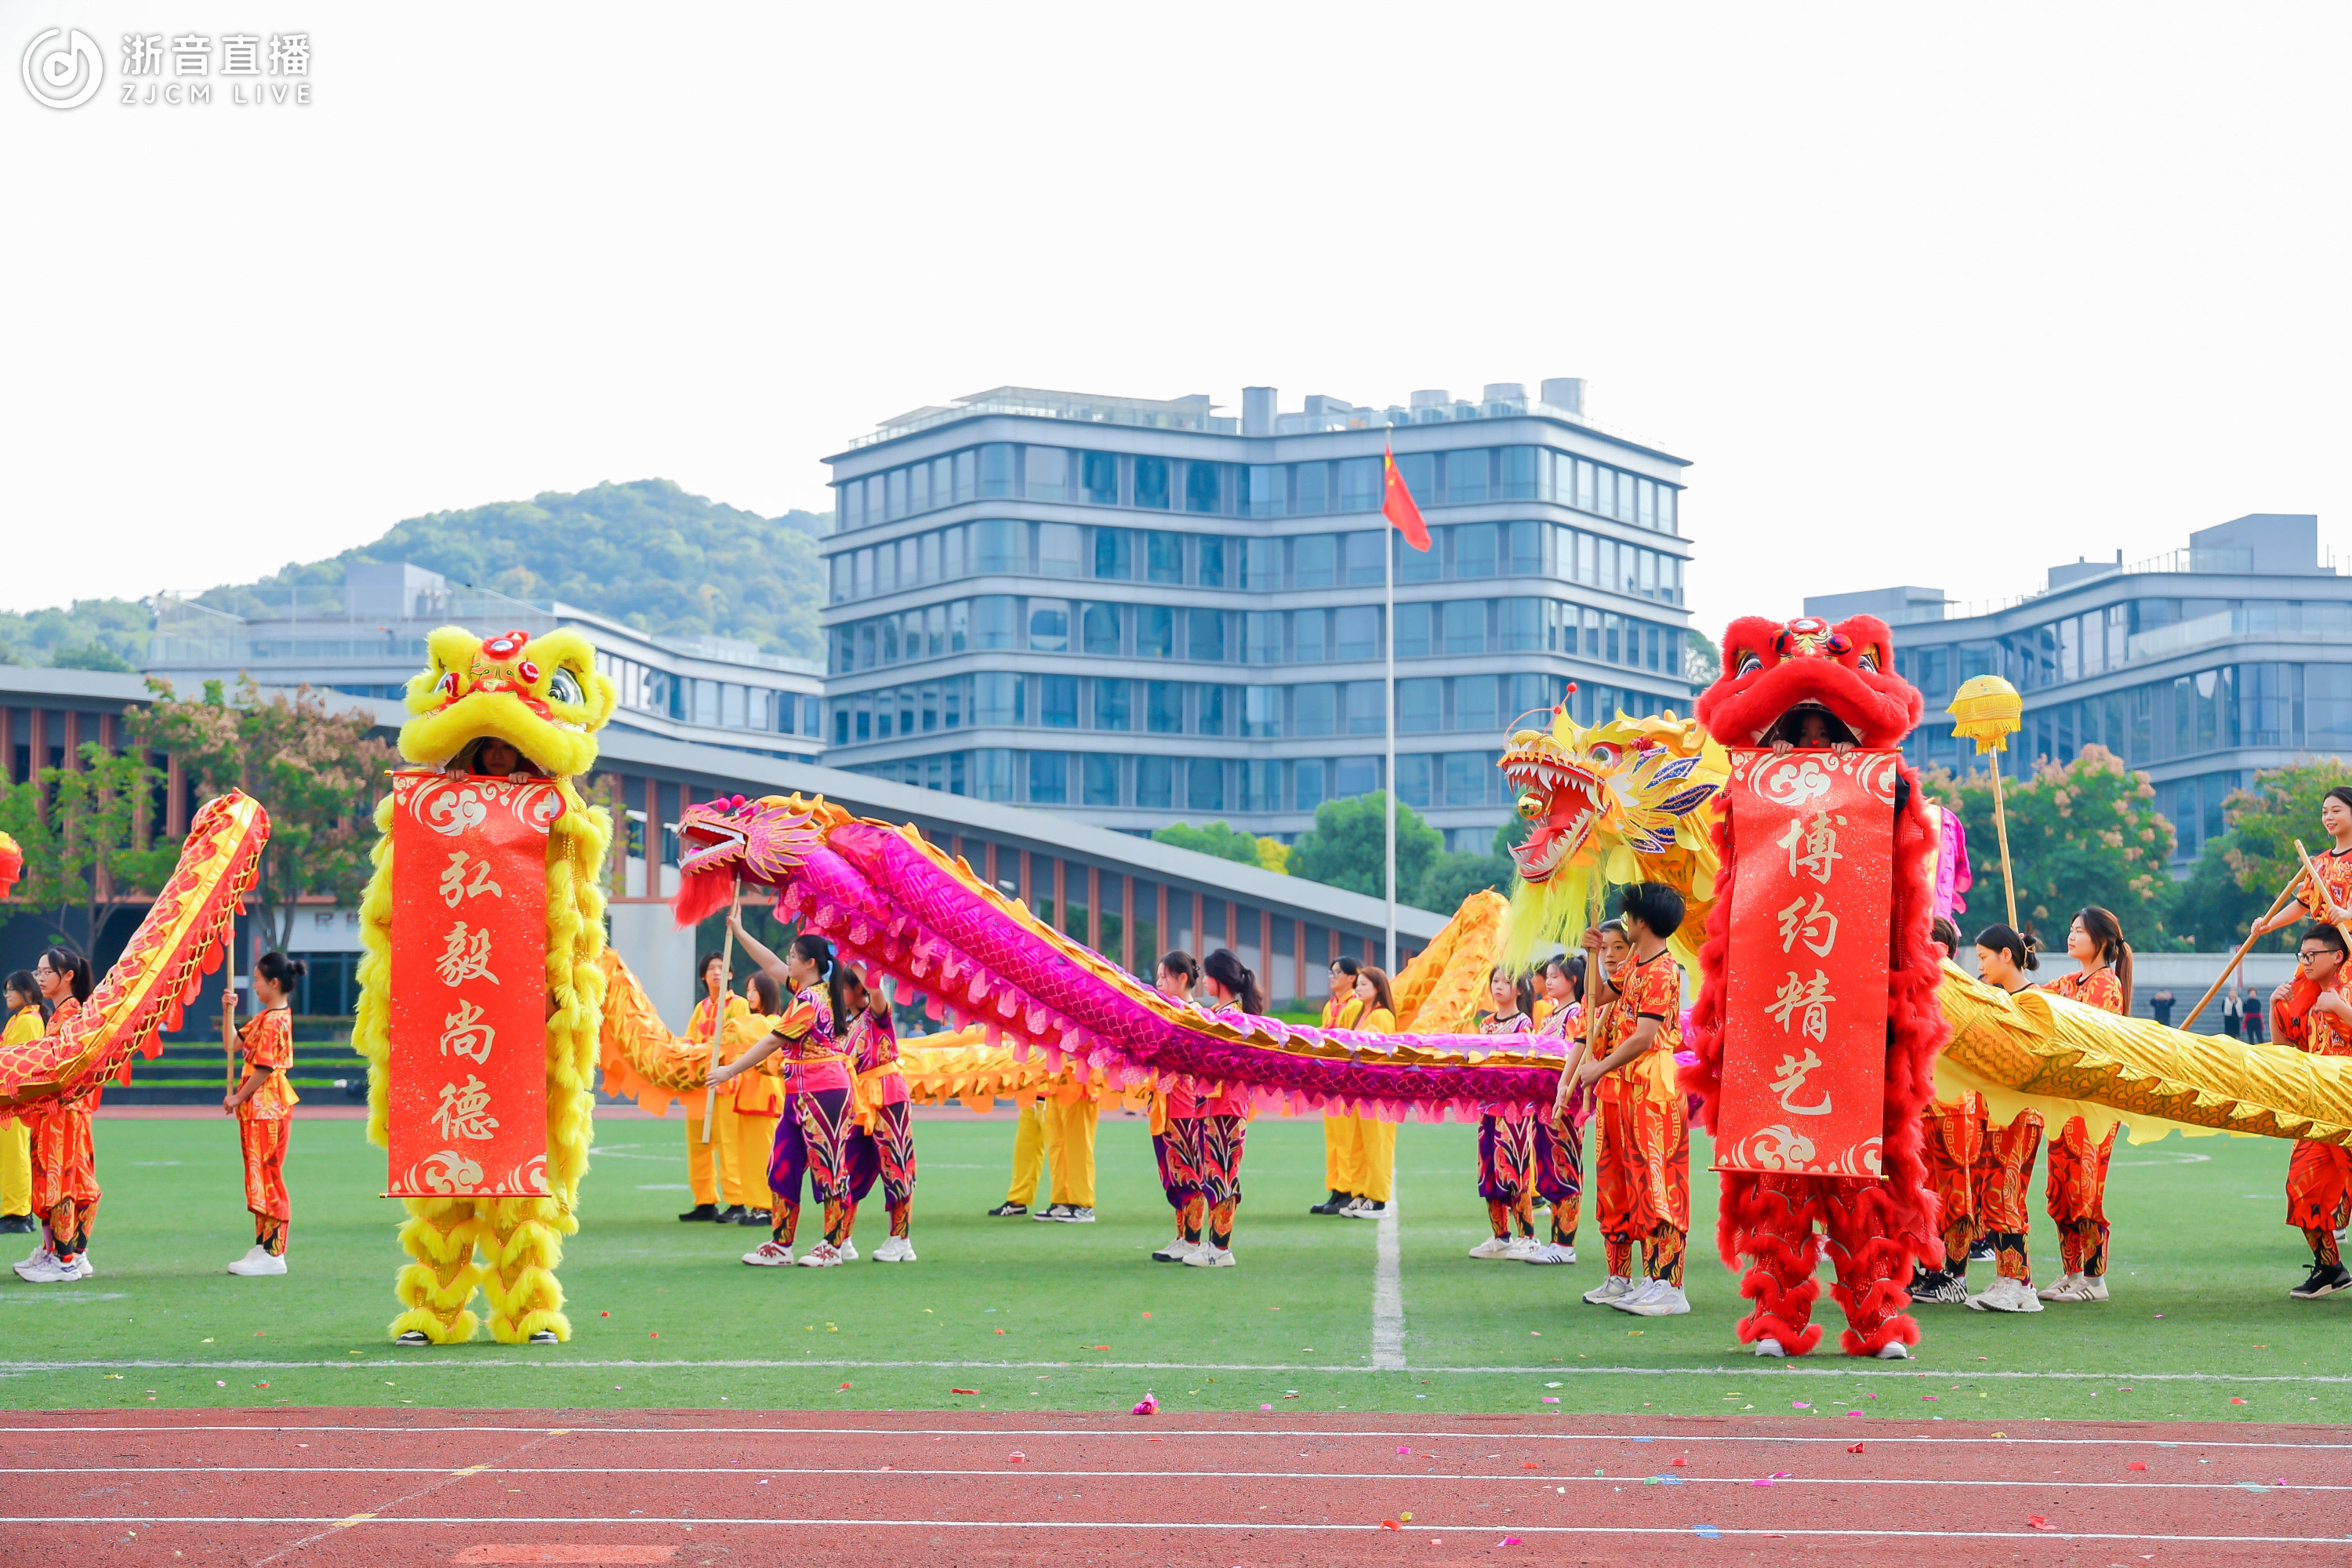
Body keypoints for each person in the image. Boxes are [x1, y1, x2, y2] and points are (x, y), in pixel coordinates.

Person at [1573, 889, 1692, 1316]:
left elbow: (1644, 1037)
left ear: (1641, 921)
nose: (1624, 923)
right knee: (1626, 1181)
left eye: (1628, 916)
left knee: (1658, 1182)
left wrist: (1598, 1067)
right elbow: (1595, 996)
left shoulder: (1662, 970)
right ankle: (1639, 1279)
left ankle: (1669, 1286)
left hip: (1652, 1086)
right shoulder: (1635, 964)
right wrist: (1590, 954)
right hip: (1625, 1084)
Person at [711, 920, 855, 1268]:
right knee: (782, 1165)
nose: (787, 961)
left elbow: (772, 1041)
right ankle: (781, 1244)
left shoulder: (810, 1001)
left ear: (810, 963)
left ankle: (833, 1245)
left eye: (793, 956)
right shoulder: (809, 989)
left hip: (825, 1092)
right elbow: (771, 965)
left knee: (829, 1167)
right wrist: (740, 931)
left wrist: (730, 1070)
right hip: (798, 1093)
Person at [2036, 906, 2132, 1304]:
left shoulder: (2106, 985)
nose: (2071, 935)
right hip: (2064, 1103)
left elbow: (2083, 1036)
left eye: (2080, 931)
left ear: (2102, 941)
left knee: (2085, 1191)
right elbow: (2031, 997)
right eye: (2071, 929)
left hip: (2092, 1106)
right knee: (2060, 1190)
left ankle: (2094, 1280)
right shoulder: (2070, 981)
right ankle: (2072, 1273)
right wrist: (2017, 963)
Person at [1965, 923, 2046, 1313]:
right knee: (1993, 1195)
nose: (1980, 966)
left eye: (1984, 957)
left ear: (2006, 955)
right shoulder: (2000, 998)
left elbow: (2029, 1058)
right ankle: (2010, 1279)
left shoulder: (2033, 1001)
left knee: (2005, 1194)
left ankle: (2018, 1284)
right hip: (1995, 1113)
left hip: (2019, 1114)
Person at [219, 951, 303, 1275]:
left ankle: (274, 1252)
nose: (254, 985)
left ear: (274, 982)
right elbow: (232, 1044)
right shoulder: (266, 1017)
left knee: (268, 1173)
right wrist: (228, 1011)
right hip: (259, 1109)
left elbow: (265, 1067)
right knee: (258, 1173)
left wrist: (237, 1097)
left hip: (268, 1108)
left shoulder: (275, 1020)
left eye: (257, 980)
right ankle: (263, 1244)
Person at [1913, 916, 1982, 1305]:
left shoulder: (1960, 988)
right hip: (1920, 1107)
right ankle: (1930, 1269)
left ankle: (1955, 1275)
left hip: (1954, 1107)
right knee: (1923, 1193)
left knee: (1955, 1194)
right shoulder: (1915, 984)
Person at [16, 949, 96, 1283]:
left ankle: (65, 1259)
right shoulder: (60, 1014)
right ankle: (67, 1253)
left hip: (64, 1111)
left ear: (68, 976)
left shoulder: (72, 1015)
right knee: (64, 1179)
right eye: (38, 972)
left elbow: (66, 1067)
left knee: (61, 1181)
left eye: (46, 971)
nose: (40, 978)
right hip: (58, 1109)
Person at [2282, 924, 2352, 1298]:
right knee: (2301, 1188)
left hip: (2349, 1112)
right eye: (2302, 955)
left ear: (2338, 956)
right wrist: (2276, 1010)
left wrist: (2342, 1009)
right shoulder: (2310, 1002)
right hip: (2320, 1115)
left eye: (2312, 955)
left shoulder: (2344, 993)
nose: (2305, 962)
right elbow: (2287, 1055)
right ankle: (2330, 1268)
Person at [1182, 948, 1264, 1266]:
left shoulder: (1234, 1019)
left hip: (1227, 1105)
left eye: (1207, 976)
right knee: (1214, 1172)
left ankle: (1220, 1249)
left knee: (1223, 1173)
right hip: (1214, 1104)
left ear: (1220, 980)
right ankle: (1214, 1245)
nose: (1203, 982)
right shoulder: (1221, 1013)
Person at [840, 967, 917, 1262]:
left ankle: (901, 1240)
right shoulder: (847, 1023)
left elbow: (876, 990)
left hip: (888, 1095)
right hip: (860, 1102)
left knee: (896, 1165)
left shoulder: (877, 1014)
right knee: (848, 1166)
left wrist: (855, 957)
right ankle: (842, 1238)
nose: (838, 994)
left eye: (842, 987)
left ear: (858, 988)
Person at [1469, 967, 1540, 1260]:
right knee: (1488, 1170)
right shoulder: (1486, 1024)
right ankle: (1500, 1236)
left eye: (1506, 982)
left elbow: (1524, 1065)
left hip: (1514, 1111)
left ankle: (1528, 1237)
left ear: (1520, 989)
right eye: (1495, 981)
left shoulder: (1524, 1024)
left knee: (1515, 1170)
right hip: (1488, 1107)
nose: (1498, 986)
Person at [1522, 953, 1587, 1265]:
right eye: (1547, 976)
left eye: (1555, 976)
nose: (1548, 981)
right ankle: (1555, 1241)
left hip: (1565, 1104)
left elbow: (1572, 1055)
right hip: (1545, 1103)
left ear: (1572, 981)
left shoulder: (1576, 1014)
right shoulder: (1549, 1015)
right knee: (1549, 1169)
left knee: (1565, 1168)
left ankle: (1565, 1244)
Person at [677, 951, 752, 1225]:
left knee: (728, 1144)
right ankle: (705, 1201)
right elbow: (689, 1040)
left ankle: (737, 1201)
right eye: (711, 968)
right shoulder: (701, 1008)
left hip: (726, 1084)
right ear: (703, 976)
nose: (717, 972)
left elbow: (739, 1040)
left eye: (722, 968)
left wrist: (708, 1052)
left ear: (731, 974)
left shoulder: (739, 1005)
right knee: (698, 1144)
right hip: (699, 1085)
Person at [1149, 951, 1210, 1262]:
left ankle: (1193, 1240)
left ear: (1182, 978)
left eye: (1164, 976)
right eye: (1158, 976)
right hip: (1165, 1103)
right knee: (1173, 1174)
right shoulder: (1166, 1012)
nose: (1159, 982)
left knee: (1188, 1173)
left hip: (1185, 1104)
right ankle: (1183, 1237)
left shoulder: (1195, 1016)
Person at [1313, 956, 1382, 1216]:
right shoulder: (1331, 1005)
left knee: (1346, 1139)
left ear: (1351, 977)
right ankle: (1336, 1188)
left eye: (1337, 972)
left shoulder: (1354, 1005)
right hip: (1330, 1080)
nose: (1332, 977)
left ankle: (1347, 1189)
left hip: (1345, 1081)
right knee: (1334, 1138)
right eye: (1330, 972)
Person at [2248, 786, 2352, 946]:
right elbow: (2303, 903)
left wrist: (2348, 913)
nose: (2329, 817)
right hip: (2326, 946)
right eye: (2325, 813)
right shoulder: (2321, 862)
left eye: (2336, 811)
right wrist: (2269, 924)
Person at [1338, 965, 1399, 1219]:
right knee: (1359, 1144)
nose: (1358, 988)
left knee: (1377, 1145)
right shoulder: (1360, 1014)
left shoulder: (1382, 1016)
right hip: (1359, 1089)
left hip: (1377, 1090)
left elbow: (1380, 1054)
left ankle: (1378, 1199)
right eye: (1358, 984)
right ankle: (1361, 1193)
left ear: (1378, 988)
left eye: (1364, 984)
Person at [0, 971, 41, 1236]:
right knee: (11, 1155)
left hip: (15, 1099)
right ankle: (16, 1211)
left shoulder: (28, 1021)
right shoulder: (19, 1019)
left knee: (15, 1155)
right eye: (6, 989)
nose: (7, 995)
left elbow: (21, 1061)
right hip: (10, 1098)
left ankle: (18, 1214)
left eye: (12, 989)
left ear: (27, 991)